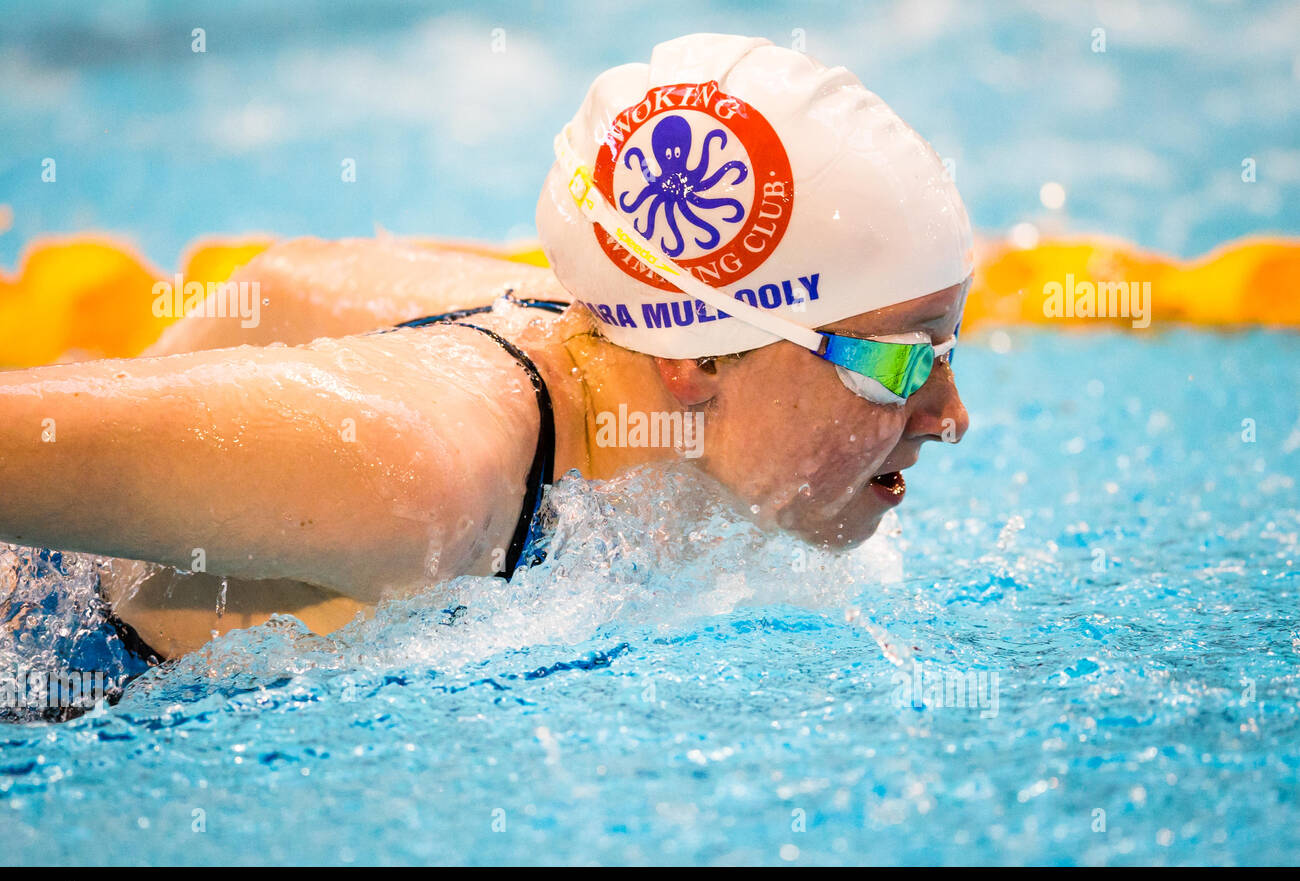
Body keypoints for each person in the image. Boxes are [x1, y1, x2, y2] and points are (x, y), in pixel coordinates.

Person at [0, 33, 972, 661]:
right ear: (697, 360)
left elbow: (286, 278)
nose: (949, 415)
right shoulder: (417, 474)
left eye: (949, 345)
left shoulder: (604, 330)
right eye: (899, 358)